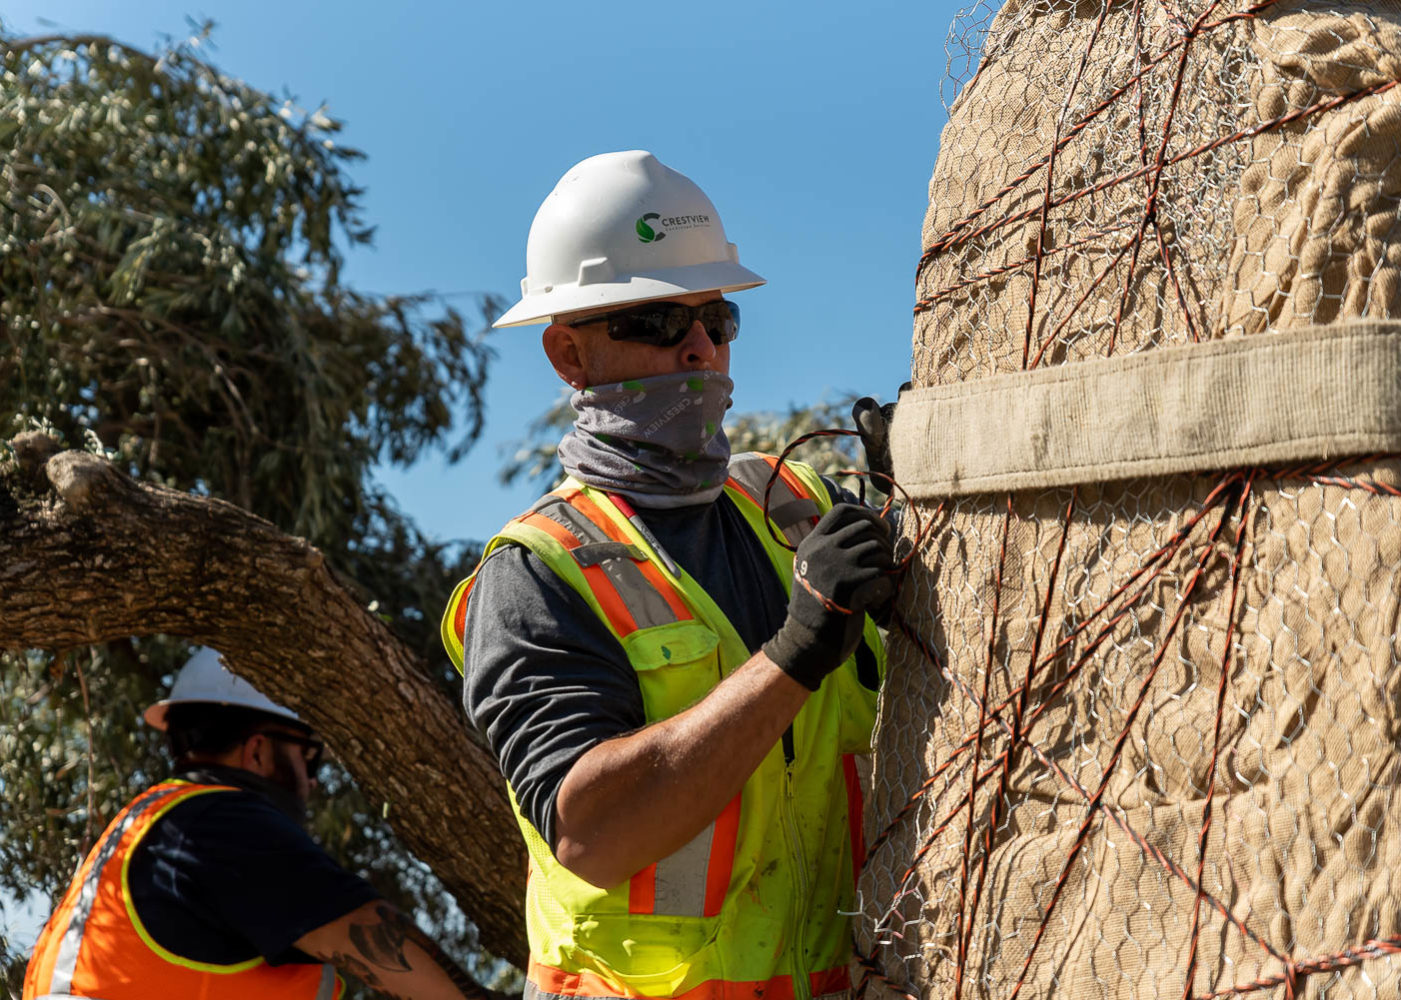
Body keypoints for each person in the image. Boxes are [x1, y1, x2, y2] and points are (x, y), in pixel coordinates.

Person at [441, 150, 897, 1000]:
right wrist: (796, 650)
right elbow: (595, 835)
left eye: (716, 320)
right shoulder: (538, 572)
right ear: (566, 354)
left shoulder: (797, 504)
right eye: (654, 322)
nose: (698, 349)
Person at [23, 646, 492, 1000]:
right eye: (309, 760)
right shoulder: (220, 824)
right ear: (259, 750)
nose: (310, 782)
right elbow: (400, 959)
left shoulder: (146, 827)